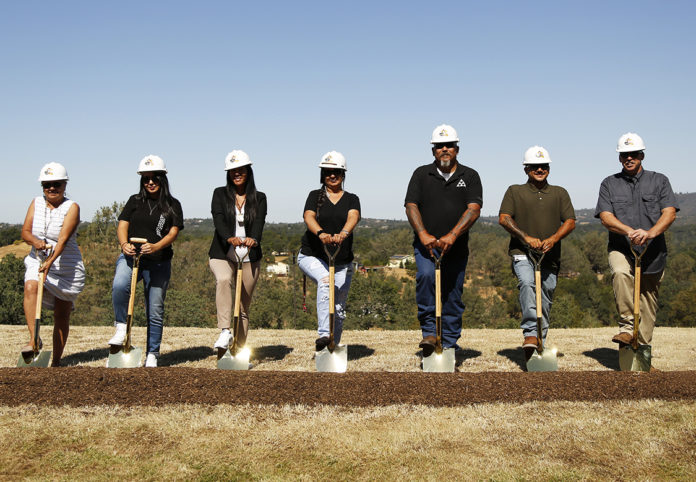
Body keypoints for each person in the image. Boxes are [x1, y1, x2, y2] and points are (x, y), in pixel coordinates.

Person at [595, 132, 678, 347]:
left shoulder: (659, 180)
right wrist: (629, 231)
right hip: (622, 247)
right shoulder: (609, 184)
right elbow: (605, 217)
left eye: (633, 154)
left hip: (653, 250)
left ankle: (641, 348)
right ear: (619, 158)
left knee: (647, 301)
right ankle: (626, 326)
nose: (629, 158)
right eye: (624, 155)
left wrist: (649, 233)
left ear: (642, 155)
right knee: (621, 273)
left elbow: (669, 213)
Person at [405, 124, 482, 356]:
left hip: (455, 248)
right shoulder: (421, 174)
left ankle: (448, 342)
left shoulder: (469, 175)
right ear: (433, 151)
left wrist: (452, 235)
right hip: (425, 245)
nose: (444, 149)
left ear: (457, 149)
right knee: (426, 277)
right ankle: (429, 333)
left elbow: (474, 208)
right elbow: (411, 206)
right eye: (439, 146)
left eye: (449, 145)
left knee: (452, 294)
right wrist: (423, 235)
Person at [498, 146, 575, 356]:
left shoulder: (560, 193)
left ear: (548, 168)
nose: (539, 169)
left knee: (546, 295)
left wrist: (553, 239)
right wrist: (525, 237)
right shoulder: (515, 191)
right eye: (534, 166)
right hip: (522, 252)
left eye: (543, 166)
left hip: (550, 254)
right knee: (527, 283)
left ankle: (539, 341)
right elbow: (504, 218)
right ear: (526, 169)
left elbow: (570, 221)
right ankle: (530, 333)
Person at [108, 155, 184, 367]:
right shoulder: (134, 201)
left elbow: (173, 232)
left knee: (155, 308)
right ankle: (121, 327)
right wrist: (124, 244)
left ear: (163, 179)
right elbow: (123, 225)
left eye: (154, 178)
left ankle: (152, 353)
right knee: (119, 285)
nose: (150, 182)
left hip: (158, 261)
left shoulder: (172, 204)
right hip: (131, 257)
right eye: (145, 179)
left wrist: (157, 246)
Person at [21, 162, 86, 366]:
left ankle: (57, 361)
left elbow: (63, 240)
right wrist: (36, 242)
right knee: (31, 286)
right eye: (46, 184)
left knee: (62, 313)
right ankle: (34, 340)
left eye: (56, 184)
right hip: (37, 258)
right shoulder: (35, 203)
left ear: (64, 185)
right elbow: (25, 231)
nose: (51, 188)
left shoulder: (72, 207)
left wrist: (50, 261)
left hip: (66, 265)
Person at [298, 151, 361, 351]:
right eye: (327, 172)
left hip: (341, 259)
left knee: (339, 305)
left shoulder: (352, 198)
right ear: (322, 174)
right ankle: (324, 335)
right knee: (326, 282)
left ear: (343, 174)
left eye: (336, 172)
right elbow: (308, 216)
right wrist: (321, 233)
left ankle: (333, 344)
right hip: (312, 255)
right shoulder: (314, 196)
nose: (332, 176)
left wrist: (343, 233)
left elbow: (354, 217)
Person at [209, 150, 267, 350]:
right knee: (224, 279)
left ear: (248, 171)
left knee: (242, 306)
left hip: (249, 255)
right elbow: (218, 219)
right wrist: (229, 238)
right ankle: (225, 331)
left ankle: (240, 350)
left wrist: (254, 240)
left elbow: (259, 222)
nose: (237, 173)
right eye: (233, 170)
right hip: (223, 253)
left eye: (241, 170)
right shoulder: (219, 194)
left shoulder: (259, 198)